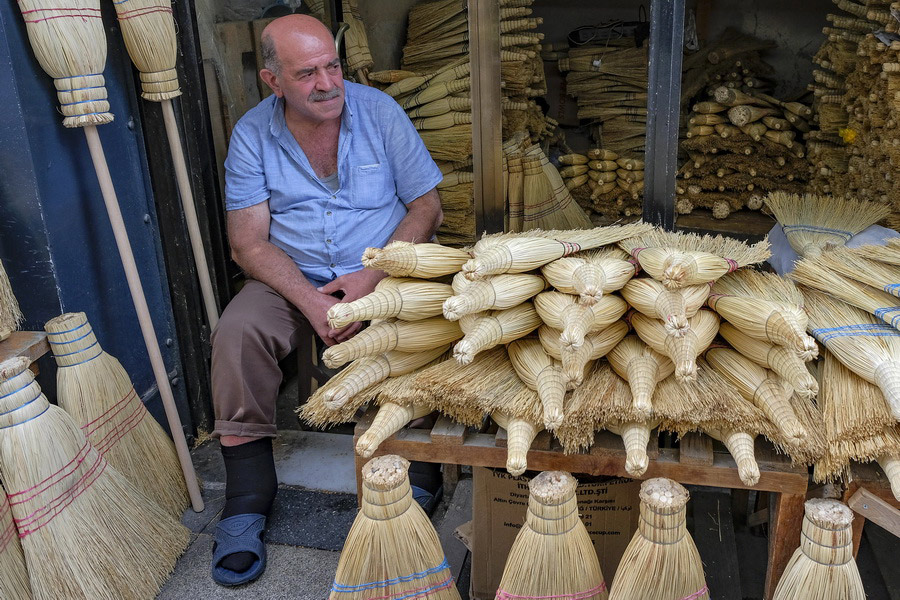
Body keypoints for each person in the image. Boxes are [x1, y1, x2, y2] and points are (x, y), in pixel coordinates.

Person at [208, 14, 444, 587]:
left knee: (424, 328)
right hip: (294, 277)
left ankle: (418, 467)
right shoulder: (251, 135)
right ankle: (245, 498)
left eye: (332, 65)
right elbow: (248, 244)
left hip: (381, 270)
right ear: (273, 81)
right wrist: (312, 303)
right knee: (238, 332)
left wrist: (371, 278)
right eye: (307, 73)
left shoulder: (379, 112)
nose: (328, 83)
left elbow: (426, 208)